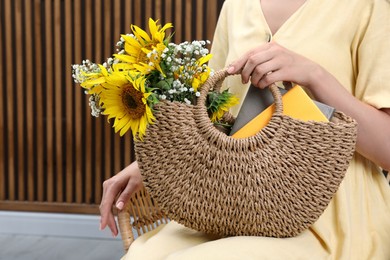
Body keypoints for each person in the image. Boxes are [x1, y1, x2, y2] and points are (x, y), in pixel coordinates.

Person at [99, 0, 390, 259]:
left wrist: (315, 76)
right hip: (234, 201)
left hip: (334, 218)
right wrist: (149, 166)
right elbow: (217, 115)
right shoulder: (236, 5)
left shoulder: (369, 6)